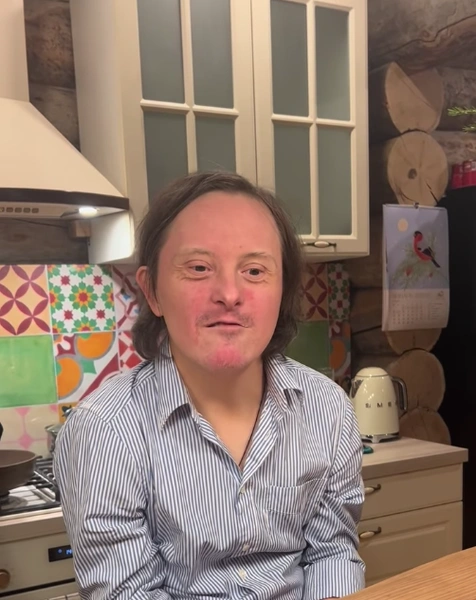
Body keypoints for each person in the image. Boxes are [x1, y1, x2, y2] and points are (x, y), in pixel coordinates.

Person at [54, 171, 365, 600]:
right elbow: (128, 592)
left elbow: (333, 553)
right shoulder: (105, 431)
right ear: (153, 291)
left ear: (282, 292)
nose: (229, 294)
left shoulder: (328, 408)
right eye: (199, 268)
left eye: (254, 270)